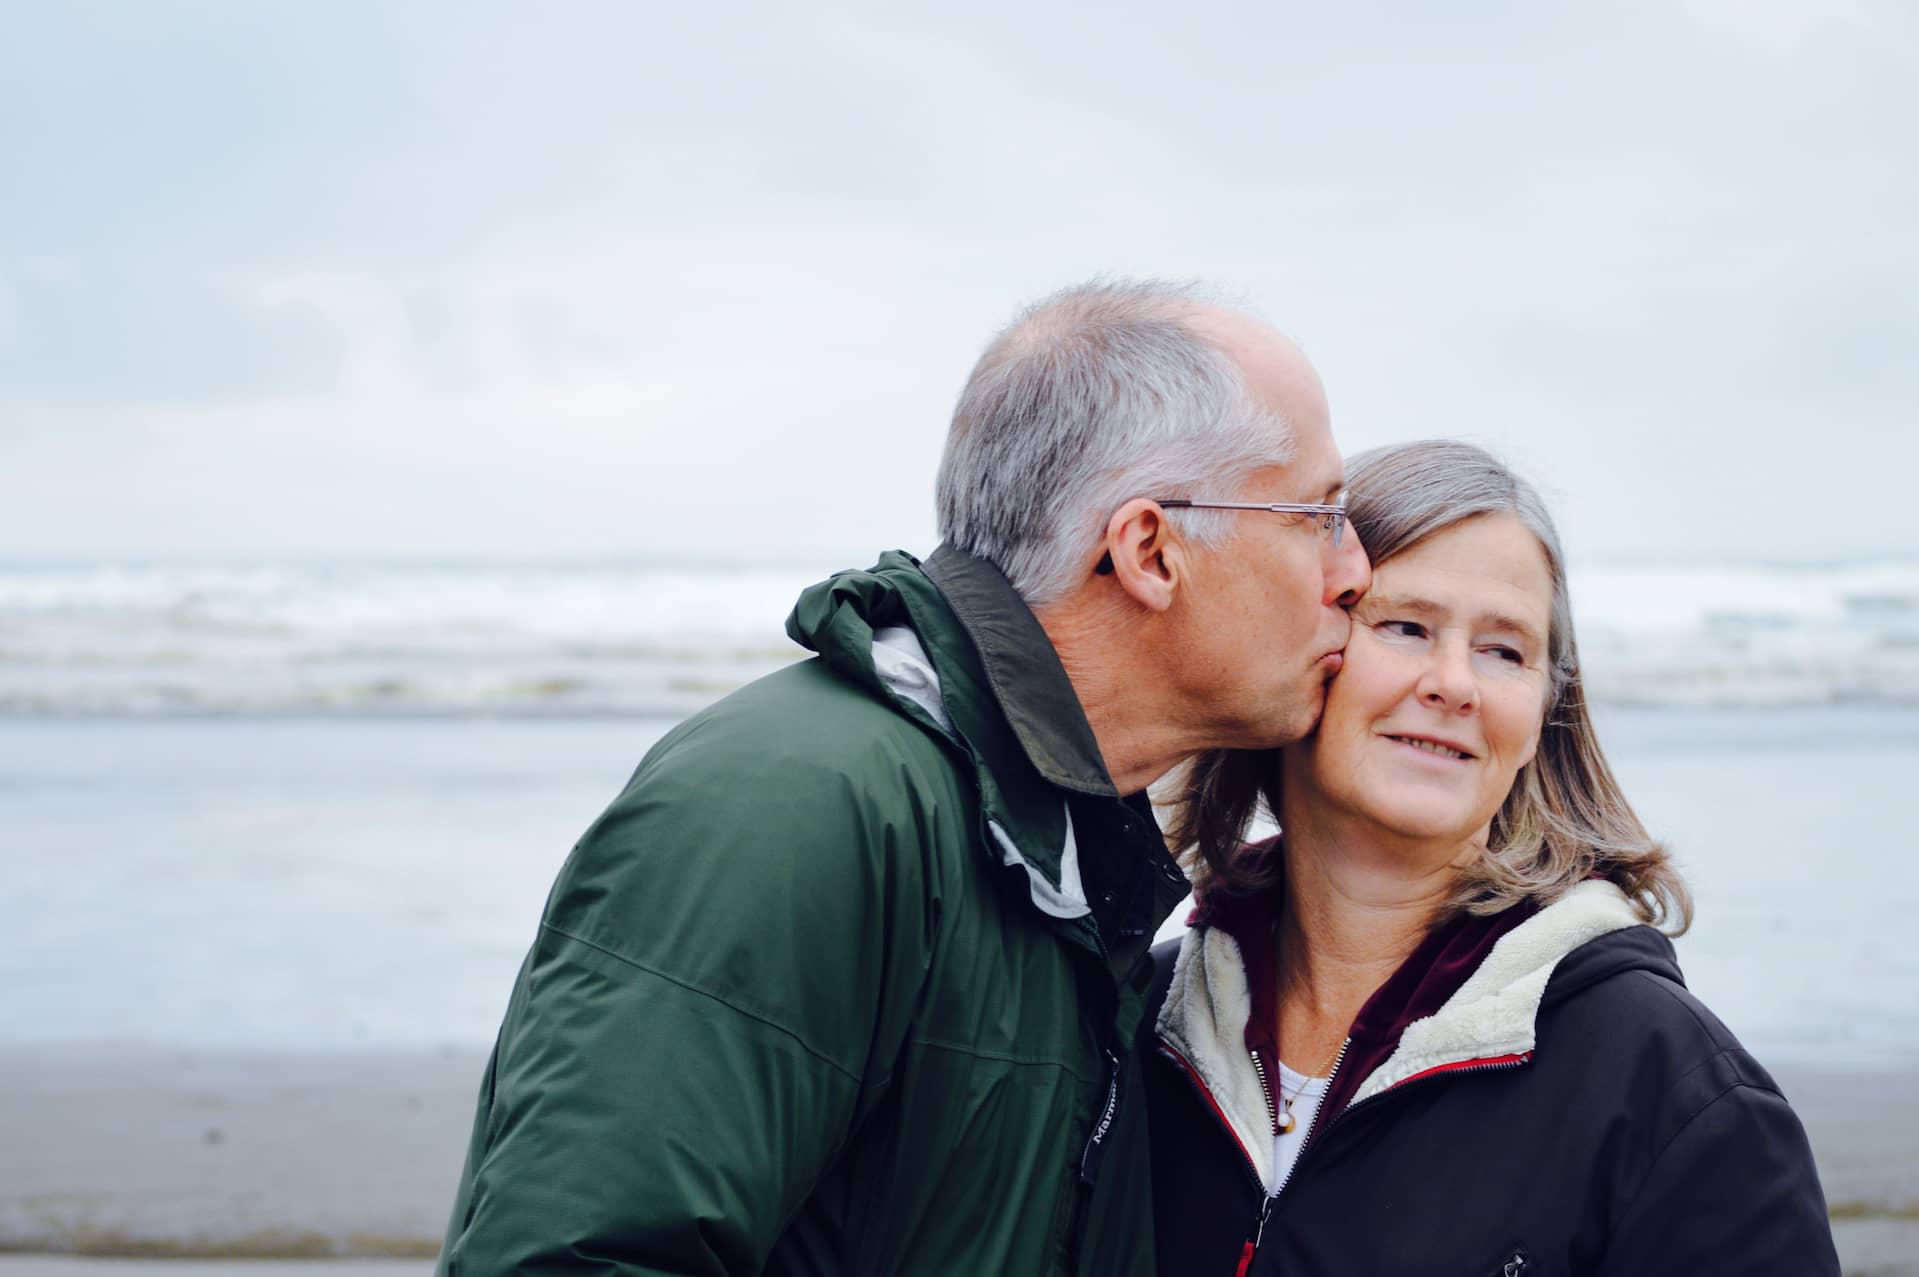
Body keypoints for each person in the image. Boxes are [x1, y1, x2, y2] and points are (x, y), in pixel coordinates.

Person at [435, 280, 1371, 1277]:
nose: (1353, 569)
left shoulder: (1062, 852)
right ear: (1149, 549)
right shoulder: (800, 803)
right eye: (1315, 514)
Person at [1144, 438, 1838, 1276]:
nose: (1454, 682)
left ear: (1546, 709)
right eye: (1405, 626)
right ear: (1305, 644)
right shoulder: (1143, 1022)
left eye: (1504, 649)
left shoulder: (1673, 1090)